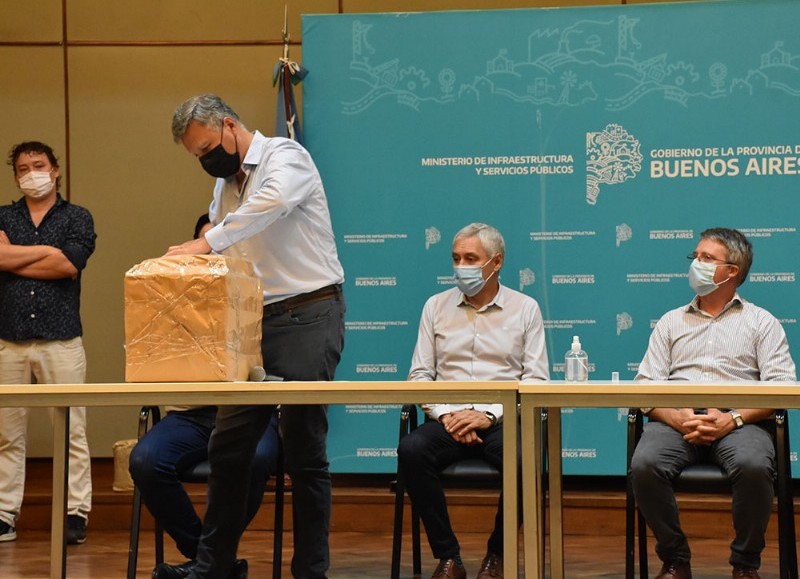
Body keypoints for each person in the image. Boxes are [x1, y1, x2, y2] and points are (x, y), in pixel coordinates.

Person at [164, 94, 345, 579]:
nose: (205, 160)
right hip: (251, 322)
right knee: (228, 445)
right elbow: (230, 246)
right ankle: (212, 566)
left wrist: (206, 240)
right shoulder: (225, 186)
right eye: (196, 156)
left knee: (305, 451)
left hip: (308, 313)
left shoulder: (286, 156)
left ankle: (310, 571)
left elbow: (271, 205)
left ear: (228, 125)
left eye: (206, 148)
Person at [630, 228, 796, 579]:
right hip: (676, 420)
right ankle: (676, 560)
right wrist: (675, 418)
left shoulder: (761, 322)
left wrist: (731, 419)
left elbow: (782, 388)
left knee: (753, 464)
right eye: (696, 257)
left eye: (707, 258)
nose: (696, 264)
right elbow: (645, 386)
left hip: (740, 421)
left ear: (732, 270)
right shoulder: (671, 321)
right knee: (644, 464)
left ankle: (745, 565)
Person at [128, 214, 283, 579]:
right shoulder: (172, 301)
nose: (215, 258)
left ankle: (208, 565)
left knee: (257, 460)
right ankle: (213, 562)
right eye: (207, 249)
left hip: (249, 412)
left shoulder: (265, 295)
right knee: (145, 461)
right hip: (191, 416)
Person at [398, 223, 549, 579]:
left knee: (524, 458)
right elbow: (420, 376)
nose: (460, 267)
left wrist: (485, 414)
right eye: (456, 258)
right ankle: (448, 557)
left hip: (500, 419)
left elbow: (537, 379)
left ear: (496, 262)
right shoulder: (435, 306)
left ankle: (497, 554)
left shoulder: (525, 308)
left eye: (470, 258)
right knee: (411, 451)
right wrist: (450, 415)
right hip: (446, 419)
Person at [0, 141, 96, 545]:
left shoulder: (77, 217)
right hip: (9, 339)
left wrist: (15, 255)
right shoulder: (3, 215)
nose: (31, 173)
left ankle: (76, 512)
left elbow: (68, 264)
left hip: (62, 339)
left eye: (39, 165)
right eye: (23, 168)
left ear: (55, 170)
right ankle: (4, 514)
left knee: (72, 429)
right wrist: (43, 251)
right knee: (6, 433)